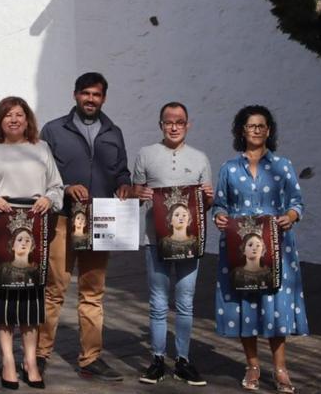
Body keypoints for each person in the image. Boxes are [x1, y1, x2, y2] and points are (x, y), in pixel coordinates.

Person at [36, 72, 131, 381]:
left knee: (93, 292)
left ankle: (90, 359)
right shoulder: (53, 130)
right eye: (86, 93)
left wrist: (125, 185)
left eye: (97, 95)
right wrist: (65, 187)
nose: (91, 99)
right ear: (75, 94)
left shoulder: (113, 132)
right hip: (63, 219)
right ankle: (39, 355)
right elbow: (41, 173)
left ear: (103, 98)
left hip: (101, 219)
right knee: (54, 291)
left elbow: (121, 171)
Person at [0, 96, 63, 390]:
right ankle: (8, 360)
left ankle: (31, 361)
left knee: (32, 300)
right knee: (5, 299)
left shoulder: (41, 149)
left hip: (34, 229)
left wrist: (49, 199)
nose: (14, 120)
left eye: (19, 115)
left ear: (27, 120)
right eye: (8, 115)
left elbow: (56, 187)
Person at [212, 105, 307, 394]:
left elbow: (297, 202)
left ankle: (281, 368)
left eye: (261, 126)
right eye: (251, 126)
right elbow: (220, 203)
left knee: (275, 306)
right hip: (240, 249)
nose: (256, 130)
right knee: (245, 306)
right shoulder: (229, 168)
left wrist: (290, 217)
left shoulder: (283, 165)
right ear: (242, 130)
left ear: (269, 130)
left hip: (276, 245)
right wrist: (219, 216)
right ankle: (252, 365)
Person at [131, 102, 213, 386]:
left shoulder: (201, 158)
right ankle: (156, 359)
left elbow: (205, 206)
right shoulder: (146, 154)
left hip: (190, 241)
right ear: (161, 125)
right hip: (155, 240)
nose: (174, 126)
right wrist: (139, 193)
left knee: (186, 302)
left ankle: (183, 360)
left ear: (188, 124)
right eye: (169, 122)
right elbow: (137, 193)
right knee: (157, 302)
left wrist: (209, 198)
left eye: (180, 121)